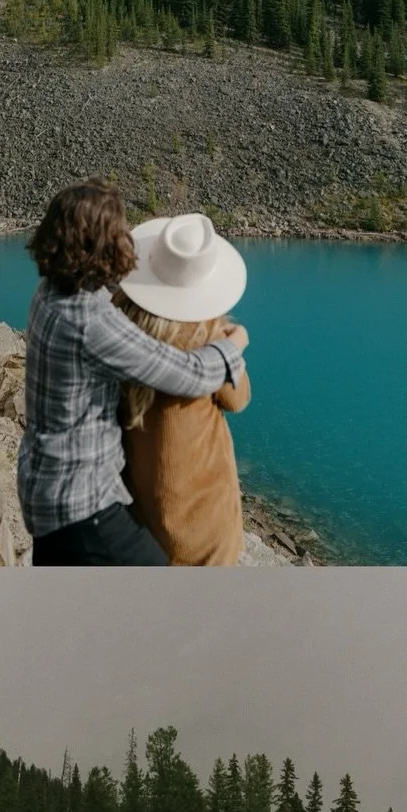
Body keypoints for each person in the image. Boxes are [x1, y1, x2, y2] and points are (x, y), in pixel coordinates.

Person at [17, 181, 247, 566]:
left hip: (43, 487)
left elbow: (110, 296)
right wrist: (233, 344)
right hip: (81, 502)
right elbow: (188, 374)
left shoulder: (51, 291)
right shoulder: (91, 322)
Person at [114, 215, 250, 566]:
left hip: (149, 512)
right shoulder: (205, 337)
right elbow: (239, 399)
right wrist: (235, 340)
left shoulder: (119, 324)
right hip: (205, 519)